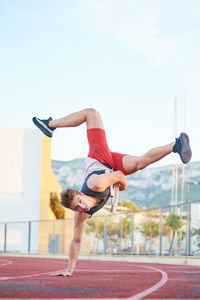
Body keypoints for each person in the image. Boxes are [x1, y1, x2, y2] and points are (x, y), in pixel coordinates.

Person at [32, 108, 192, 276]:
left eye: (79, 202)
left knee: (91, 113)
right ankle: (176, 145)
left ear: (81, 194)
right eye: (76, 208)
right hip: (110, 166)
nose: (81, 207)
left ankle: (49, 125)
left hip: (99, 158)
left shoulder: (96, 185)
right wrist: (69, 270)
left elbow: (120, 176)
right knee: (139, 163)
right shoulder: (81, 215)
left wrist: (122, 186)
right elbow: (76, 241)